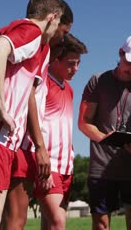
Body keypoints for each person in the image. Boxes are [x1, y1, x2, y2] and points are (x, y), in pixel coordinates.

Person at [0, 0, 63, 230]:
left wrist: (2, 34)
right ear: (52, 17)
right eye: (59, 22)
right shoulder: (31, 31)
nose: (56, 30)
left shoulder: (27, 36)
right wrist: (0, 107)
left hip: (3, 139)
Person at [0, 0, 74, 230]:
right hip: (19, 141)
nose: (62, 37)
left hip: (23, 143)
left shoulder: (38, 48)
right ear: (53, 19)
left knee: (7, 219)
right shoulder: (35, 46)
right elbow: (29, 95)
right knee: (13, 219)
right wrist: (41, 148)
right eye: (63, 31)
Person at [78, 35, 131, 230]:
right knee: (101, 225)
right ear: (121, 53)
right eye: (129, 62)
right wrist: (105, 139)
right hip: (101, 167)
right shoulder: (98, 81)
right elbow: (83, 123)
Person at [35, 33, 88, 230]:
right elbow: (33, 125)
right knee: (58, 223)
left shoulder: (69, 89)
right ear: (55, 59)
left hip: (67, 167)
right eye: (71, 63)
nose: (75, 69)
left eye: (78, 63)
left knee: (49, 225)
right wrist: (42, 162)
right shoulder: (42, 84)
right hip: (48, 166)